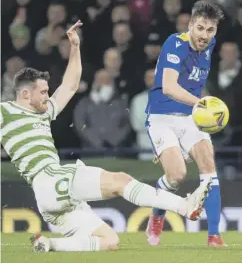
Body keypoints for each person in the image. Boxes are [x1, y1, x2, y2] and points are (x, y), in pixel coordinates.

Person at [0, 21, 210, 253]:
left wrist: (75, 48)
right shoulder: (5, 112)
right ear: (25, 94)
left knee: (109, 241)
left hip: (47, 198)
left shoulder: (43, 111)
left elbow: (69, 86)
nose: (47, 96)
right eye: (43, 92)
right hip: (50, 177)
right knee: (120, 181)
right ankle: (183, 205)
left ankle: (49, 244)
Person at [145, 1, 226, 247]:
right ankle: (157, 214)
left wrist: (199, 110)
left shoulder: (210, 45)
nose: (204, 35)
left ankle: (214, 236)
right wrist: (201, 104)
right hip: (161, 117)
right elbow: (169, 87)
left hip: (191, 117)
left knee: (208, 167)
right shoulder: (175, 44)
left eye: (210, 30)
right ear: (190, 25)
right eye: (199, 28)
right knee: (177, 176)